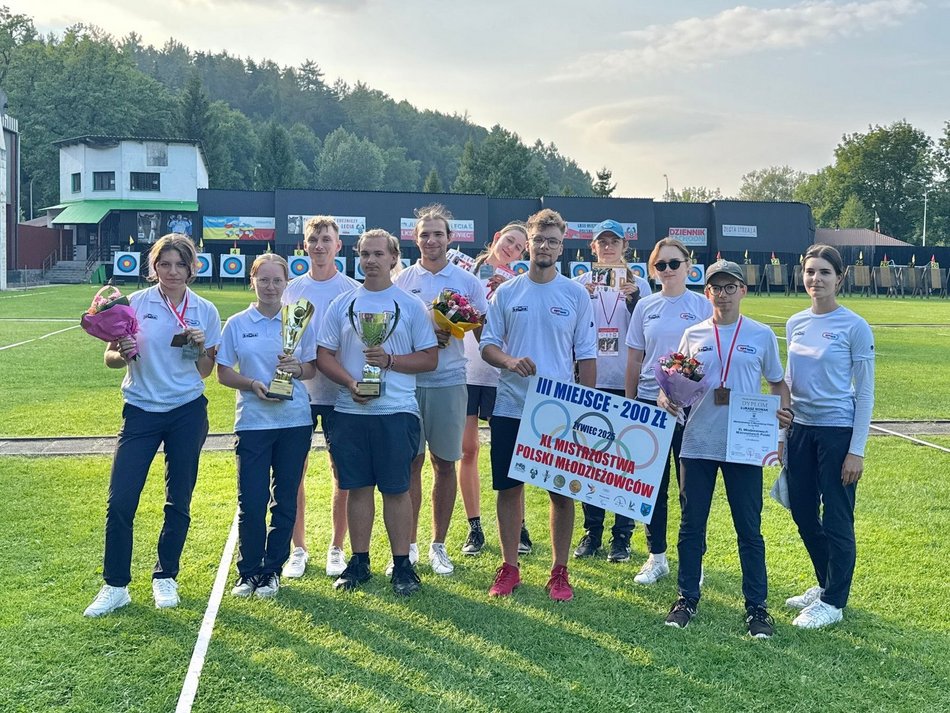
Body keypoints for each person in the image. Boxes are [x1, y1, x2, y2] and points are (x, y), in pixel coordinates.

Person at [84, 234, 221, 617]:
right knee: (121, 500)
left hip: (187, 411)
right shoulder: (134, 304)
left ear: (192, 269)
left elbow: (206, 371)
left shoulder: (205, 310)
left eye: (180, 265)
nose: (172, 272)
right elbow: (111, 357)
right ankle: (115, 586)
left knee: (179, 498)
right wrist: (120, 352)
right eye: (165, 264)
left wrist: (198, 346)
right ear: (153, 267)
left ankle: (166, 576)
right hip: (141, 410)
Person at [660, 260, 793, 637]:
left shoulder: (762, 334)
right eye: (716, 287)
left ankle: (757, 608)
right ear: (707, 293)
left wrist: (781, 427)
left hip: (746, 445)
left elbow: (777, 384)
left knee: (749, 528)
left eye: (730, 286)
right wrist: (663, 396)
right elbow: (674, 384)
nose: (723, 293)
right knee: (691, 526)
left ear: (743, 291)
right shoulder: (693, 333)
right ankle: (686, 597)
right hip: (698, 441)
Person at [481, 208, 597, 601]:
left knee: (561, 492)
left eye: (552, 241)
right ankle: (510, 567)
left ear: (561, 247)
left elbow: (586, 357)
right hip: (512, 406)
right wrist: (510, 361)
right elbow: (487, 346)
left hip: (559, 411)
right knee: (509, 489)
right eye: (538, 240)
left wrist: (586, 410)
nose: (544, 246)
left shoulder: (576, 295)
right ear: (527, 244)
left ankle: (559, 570)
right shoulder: (507, 292)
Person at [316, 229, 438, 596]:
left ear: (392, 258)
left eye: (378, 254)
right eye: (365, 254)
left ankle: (402, 564)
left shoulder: (410, 305)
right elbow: (324, 355)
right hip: (350, 411)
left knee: (397, 489)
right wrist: (351, 385)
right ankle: (360, 561)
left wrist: (389, 361)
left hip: (396, 410)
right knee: (356, 488)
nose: (370, 261)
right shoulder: (343, 304)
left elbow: (429, 358)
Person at [394, 205, 489, 576]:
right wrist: (422, 337)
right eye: (424, 234)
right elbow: (392, 333)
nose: (431, 240)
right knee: (411, 465)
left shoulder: (467, 282)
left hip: (450, 381)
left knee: (445, 464)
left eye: (438, 234)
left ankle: (439, 545)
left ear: (450, 239)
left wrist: (460, 326)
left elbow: (483, 333)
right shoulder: (402, 280)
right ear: (415, 240)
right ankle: (411, 545)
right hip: (409, 384)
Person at [783, 244, 875, 629]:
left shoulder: (854, 326)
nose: (815, 279)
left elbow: (865, 392)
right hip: (801, 430)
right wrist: (781, 421)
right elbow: (789, 377)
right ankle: (825, 583)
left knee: (837, 518)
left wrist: (856, 451)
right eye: (809, 271)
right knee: (803, 513)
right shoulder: (795, 323)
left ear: (839, 278)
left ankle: (834, 602)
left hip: (837, 432)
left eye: (824, 272)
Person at [217, 254, 317, 598]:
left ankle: (272, 569)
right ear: (253, 281)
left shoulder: (298, 320)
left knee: (285, 499)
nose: (271, 287)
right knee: (253, 500)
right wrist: (252, 385)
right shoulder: (237, 323)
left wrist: (296, 368)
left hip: (294, 421)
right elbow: (223, 372)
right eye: (264, 280)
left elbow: (313, 369)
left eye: (277, 281)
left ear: (286, 284)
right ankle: (248, 572)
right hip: (253, 423)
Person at [624, 237, 712, 585]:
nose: (668, 271)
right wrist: (631, 402)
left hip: (694, 409)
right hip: (650, 403)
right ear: (652, 270)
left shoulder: (703, 306)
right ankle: (656, 555)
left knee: (691, 487)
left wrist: (689, 391)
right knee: (651, 486)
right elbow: (634, 357)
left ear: (689, 267)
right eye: (661, 265)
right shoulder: (646, 306)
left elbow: (711, 358)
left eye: (675, 264)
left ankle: (694, 559)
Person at [281, 216, 360, 580]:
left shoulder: (353, 290)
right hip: (299, 392)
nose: (319, 245)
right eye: (313, 239)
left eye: (326, 239)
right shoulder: (291, 289)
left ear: (338, 245)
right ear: (304, 244)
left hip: (341, 393)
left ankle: (337, 547)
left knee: (342, 473)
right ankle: (298, 548)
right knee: (294, 471)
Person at [572, 219, 652, 563]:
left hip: (626, 382)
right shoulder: (578, 284)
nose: (608, 247)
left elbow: (647, 330)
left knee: (626, 461)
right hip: (591, 380)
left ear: (624, 248)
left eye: (614, 242)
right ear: (593, 248)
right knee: (590, 461)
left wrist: (634, 302)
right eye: (602, 242)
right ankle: (592, 531)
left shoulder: (641, 285)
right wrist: (584, 298)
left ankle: (622, 536)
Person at [459, 223, 533, 557]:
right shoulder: (465, 272)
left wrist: (503, 292)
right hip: (467, 371)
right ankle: (474, 526)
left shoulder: (518, 285)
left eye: (518, 247)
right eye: (508, 242)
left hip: (503, 373)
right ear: (495, 239)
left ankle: (519, 526)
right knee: (468, 449)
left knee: (515, 456)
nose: (511, 249)